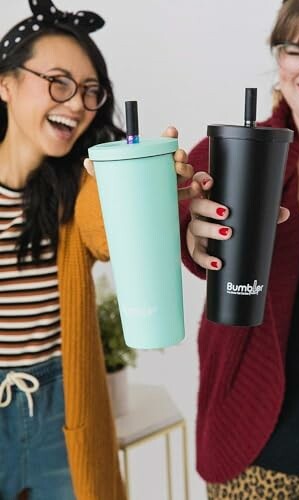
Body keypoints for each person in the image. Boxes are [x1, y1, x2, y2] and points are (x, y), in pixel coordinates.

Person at [0, 1, 197, 499]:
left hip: (62, 404)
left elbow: (112, 234)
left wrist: (148, 186)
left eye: (91, 91)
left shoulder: (85, 183)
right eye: (59, 81)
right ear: (6, 83)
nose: (78, 104)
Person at [179, 0, 299, 498]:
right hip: (246, 455)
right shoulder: (232, 153)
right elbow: (188, 207)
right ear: (278, 56)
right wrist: (190, 229)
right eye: (297, 49)